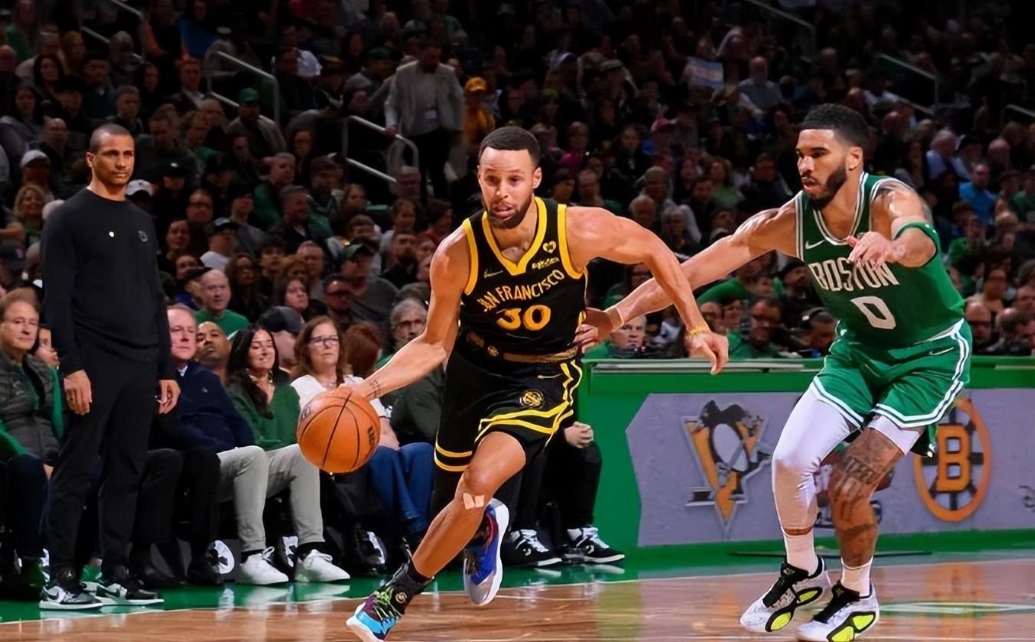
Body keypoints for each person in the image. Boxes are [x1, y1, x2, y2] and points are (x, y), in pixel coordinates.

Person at [588, 105, 970, 641]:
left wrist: (894, 245)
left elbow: (920, 236)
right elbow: (691, 270)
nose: (805, 164)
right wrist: (617, 314)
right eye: (800, 154)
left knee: (850, 485)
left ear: (854, 158)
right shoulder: (789, 222)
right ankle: (804, 572)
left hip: (927, 357)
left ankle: (857, 596)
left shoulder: (888, 200)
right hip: (858, 352)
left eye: (819, 153)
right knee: (789, 462)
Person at [345, 126, 726, 641]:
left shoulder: (577, 229)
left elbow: (655, 250)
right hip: (473, 371)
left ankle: (392, 598)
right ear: (478, 179)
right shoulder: (457, 253)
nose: (501, 192)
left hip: (542, 374)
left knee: (478, 482)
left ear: (536, 180)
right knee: (449, 510)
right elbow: (434, 343)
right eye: (491, 180)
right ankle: (483, 526)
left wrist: (695, 326)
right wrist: (364, 389)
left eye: (514, 180)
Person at [41, 124, 180, 609]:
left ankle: (115, 571)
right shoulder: (67, 217)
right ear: (91, 159)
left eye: (128, 154)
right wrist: (72, 366)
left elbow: (153, 296)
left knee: (127, 470)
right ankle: (60, 576)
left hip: (141, 361)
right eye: (111, 154)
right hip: (94, 360)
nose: (121, 163)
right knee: (76, 467)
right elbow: (56, 300)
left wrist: (165, 366)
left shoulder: (142, 221)